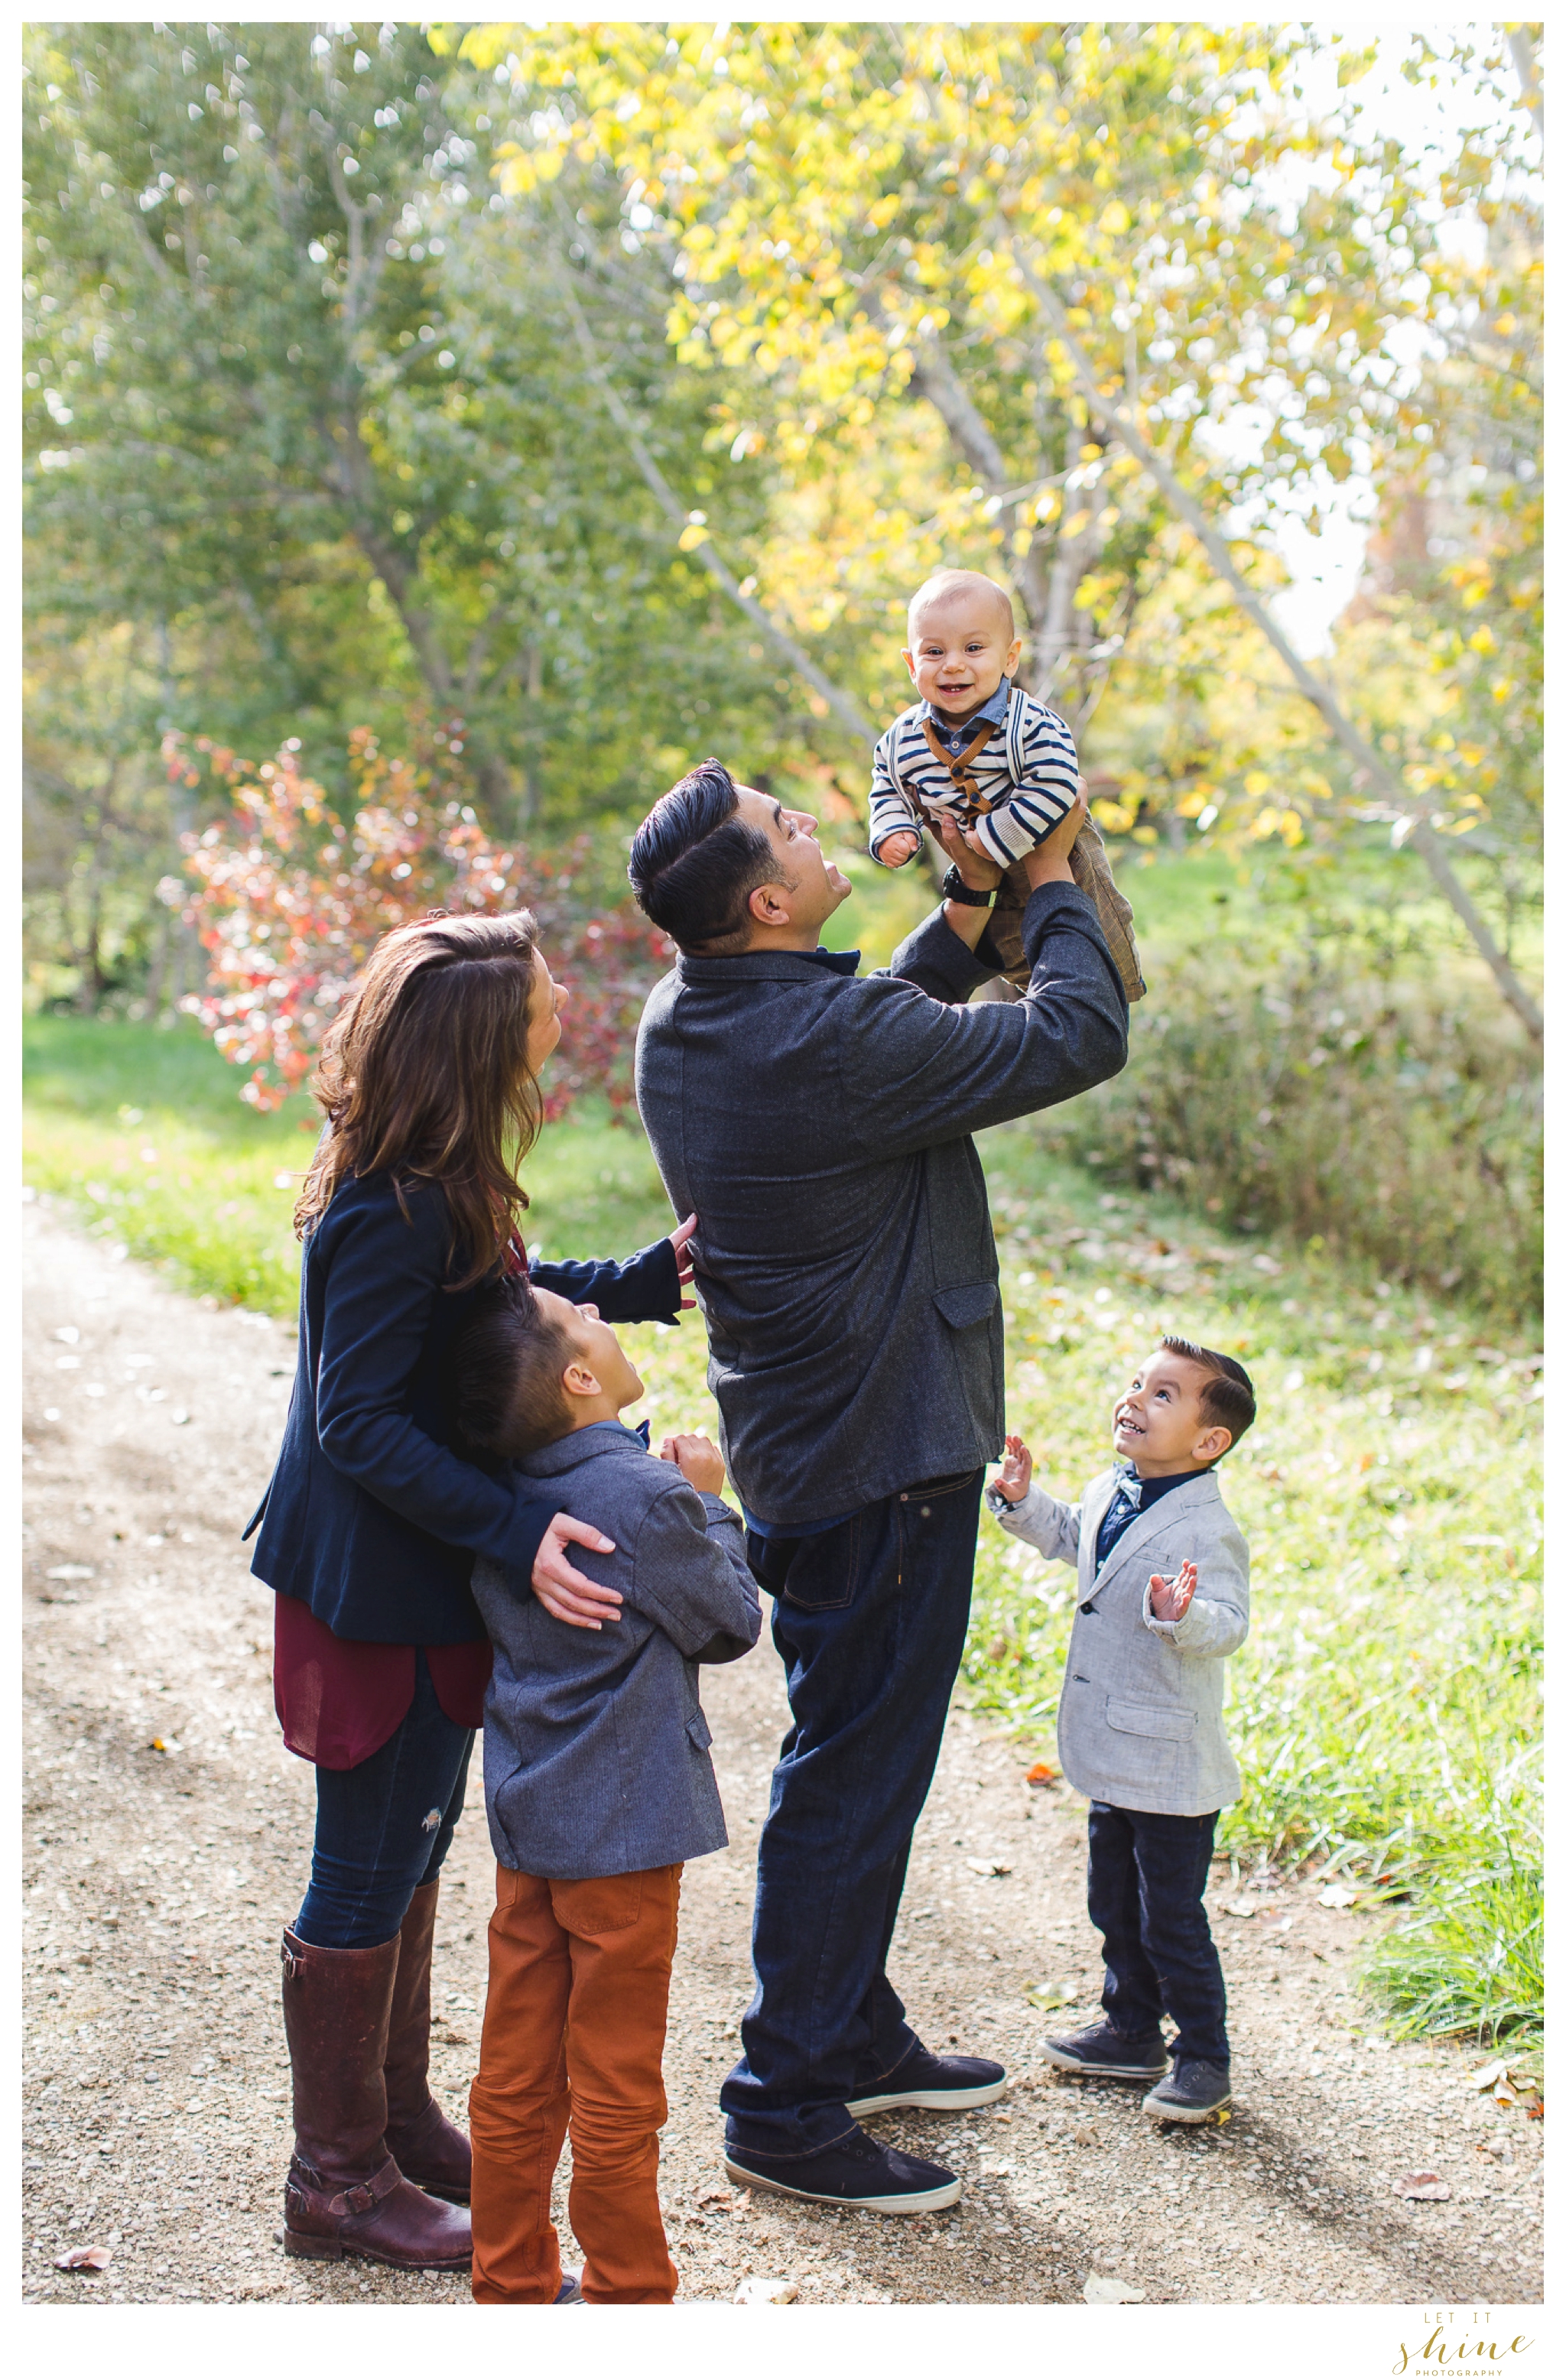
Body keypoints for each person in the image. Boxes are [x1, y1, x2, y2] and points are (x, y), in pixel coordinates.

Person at [627, 758, 1129, 2212]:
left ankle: (846, 2027)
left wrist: (963, 901)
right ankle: (782, 2099)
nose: (809, 823)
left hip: (807, 1447)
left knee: (843, 1752)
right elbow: (1077, 1031)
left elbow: (860, 1034)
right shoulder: (829, 1035)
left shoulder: (691, 1012)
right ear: (772, 901)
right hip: (882, 1459)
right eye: (784, 827)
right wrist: (1044, 883)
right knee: (855, 1773)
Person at [243, 908, 695, 2273]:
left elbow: (487, 1296)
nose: (560, 1000)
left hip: (420, 1575)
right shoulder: (391, 1208)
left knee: (417, 1843)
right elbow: (359, 1421)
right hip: (374, 1589)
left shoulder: (437, 1177)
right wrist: (516, 1529)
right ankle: (333, 2181)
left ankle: (387, 2117)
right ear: (478, 1041)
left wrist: (630, 1282)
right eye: (544, 991)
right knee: (368, 1863)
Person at [446, 1276, 761, 2304]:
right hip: (624, 1838)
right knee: (617, 2079)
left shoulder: (500, 1494)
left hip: (529, 1820)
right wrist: (711, 1498)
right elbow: (729, 1622)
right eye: (585, 1318)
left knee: (515, 2065)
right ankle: (627, 2290)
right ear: (582, 1377)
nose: (603, 1318)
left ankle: (511, 2282)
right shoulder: (645, 1497)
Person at [986, 1336, 1256, 2123]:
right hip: (1111, 1749)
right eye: (1137, 1383)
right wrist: (1021, 1502)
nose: (1134, 1398)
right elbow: (1077, 1539)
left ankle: (1203, 2053)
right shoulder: (1114, 1485)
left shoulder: (1209, 1528)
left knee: (1169, 1916)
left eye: (1163, 1394)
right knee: (1113, 1899)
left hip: (1169, 1762)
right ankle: (1129, 2025)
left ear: (1209, 1442)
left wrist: (1185, 1615)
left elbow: (1230, 1623)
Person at [869, 567, 1144, 999]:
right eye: (934, 652)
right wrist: (893, 827)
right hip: (982, 873)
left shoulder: (1027, 722)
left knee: (1094, 933)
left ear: (1010, 657)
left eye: (974, 648)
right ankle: (1042, 1006)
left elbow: (1058, 782)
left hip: (1054, 850)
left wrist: (999, 836)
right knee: (1014, 952)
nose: (953, 664)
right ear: (911, 664)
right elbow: (888, 781)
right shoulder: (903, 738)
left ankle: (1106, 999)